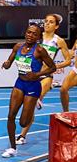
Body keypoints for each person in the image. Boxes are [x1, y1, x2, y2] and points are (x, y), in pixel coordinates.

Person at [1, 24, 56, 157]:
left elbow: (52, 67)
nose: (30, 35)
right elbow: (9, 61)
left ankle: (34, 103)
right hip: (19, 84)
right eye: (29, 32)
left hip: (33, 86)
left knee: (23, 122)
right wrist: (6, 64)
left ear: (38, 37)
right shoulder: (18, 46)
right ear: (25, 33)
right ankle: (12, 148)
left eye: (34, 34)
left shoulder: (40, 51)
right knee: (10, 116)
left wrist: (37, 75)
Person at [15, 14, 71, 145]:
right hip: (33, 76)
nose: (47, 24)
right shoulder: (36, 36)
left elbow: (68, 60)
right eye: (46, 21)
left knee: (34, 101)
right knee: (29, 108)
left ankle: (40, 97)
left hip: (46, 76)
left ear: (56, 26)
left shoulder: (59, 41)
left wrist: (55, 66)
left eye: (51, 22)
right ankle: (23, 135)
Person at [60, 39, 77, 112]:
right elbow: (73, 51)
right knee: (63, 89)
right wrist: (71, 53)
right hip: (76, 70)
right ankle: (66, 113)